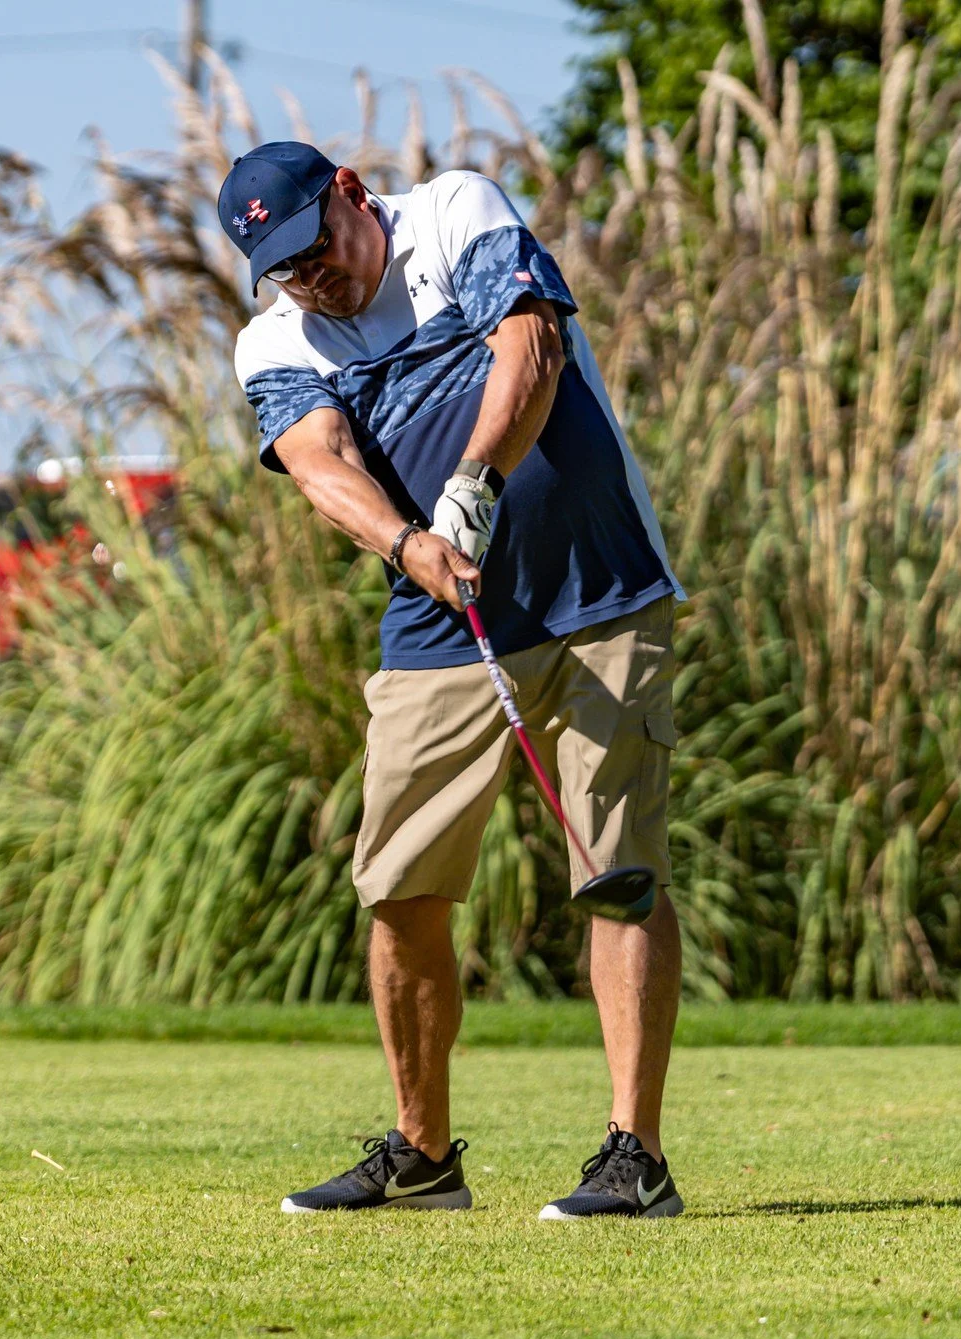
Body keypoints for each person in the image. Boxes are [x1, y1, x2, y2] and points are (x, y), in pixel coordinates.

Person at [220, 142, 685, 1220]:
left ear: (348, 193)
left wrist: (473, 482)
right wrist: (405, 544)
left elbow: (531, 345)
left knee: (615, 867)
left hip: (599, 589)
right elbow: (318, 463)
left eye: (315, 248)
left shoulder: (452, 214)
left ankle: (634, 1157)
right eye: (283, 268)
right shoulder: (275, 339)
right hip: (442, 619)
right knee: (398, 884)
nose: (312, 279)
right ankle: (423, 1156)